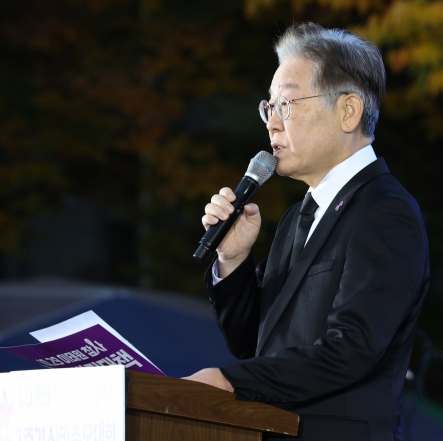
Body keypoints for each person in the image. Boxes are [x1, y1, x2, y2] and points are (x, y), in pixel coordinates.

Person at [183, 22, 430, 441]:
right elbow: (251, 343)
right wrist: (235, 259)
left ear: (348, 111)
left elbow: (353, 348)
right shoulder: (299, 217)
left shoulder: (386, 212)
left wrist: (230, 381)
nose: (273, 124)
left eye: (287, 103)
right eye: (269, 107)